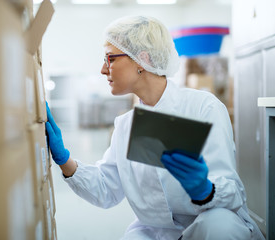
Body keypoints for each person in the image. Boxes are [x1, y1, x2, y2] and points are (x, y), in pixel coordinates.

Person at [45, 16, 265, 240]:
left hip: (209, 223)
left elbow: (233, 191)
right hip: (154, 232)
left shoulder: (203, 108)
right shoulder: (126, 126)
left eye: (110, 58)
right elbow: (106, 189)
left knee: (219, 227)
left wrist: (206, 190)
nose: (103, 69)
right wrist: (64, 159)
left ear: (142, 59)